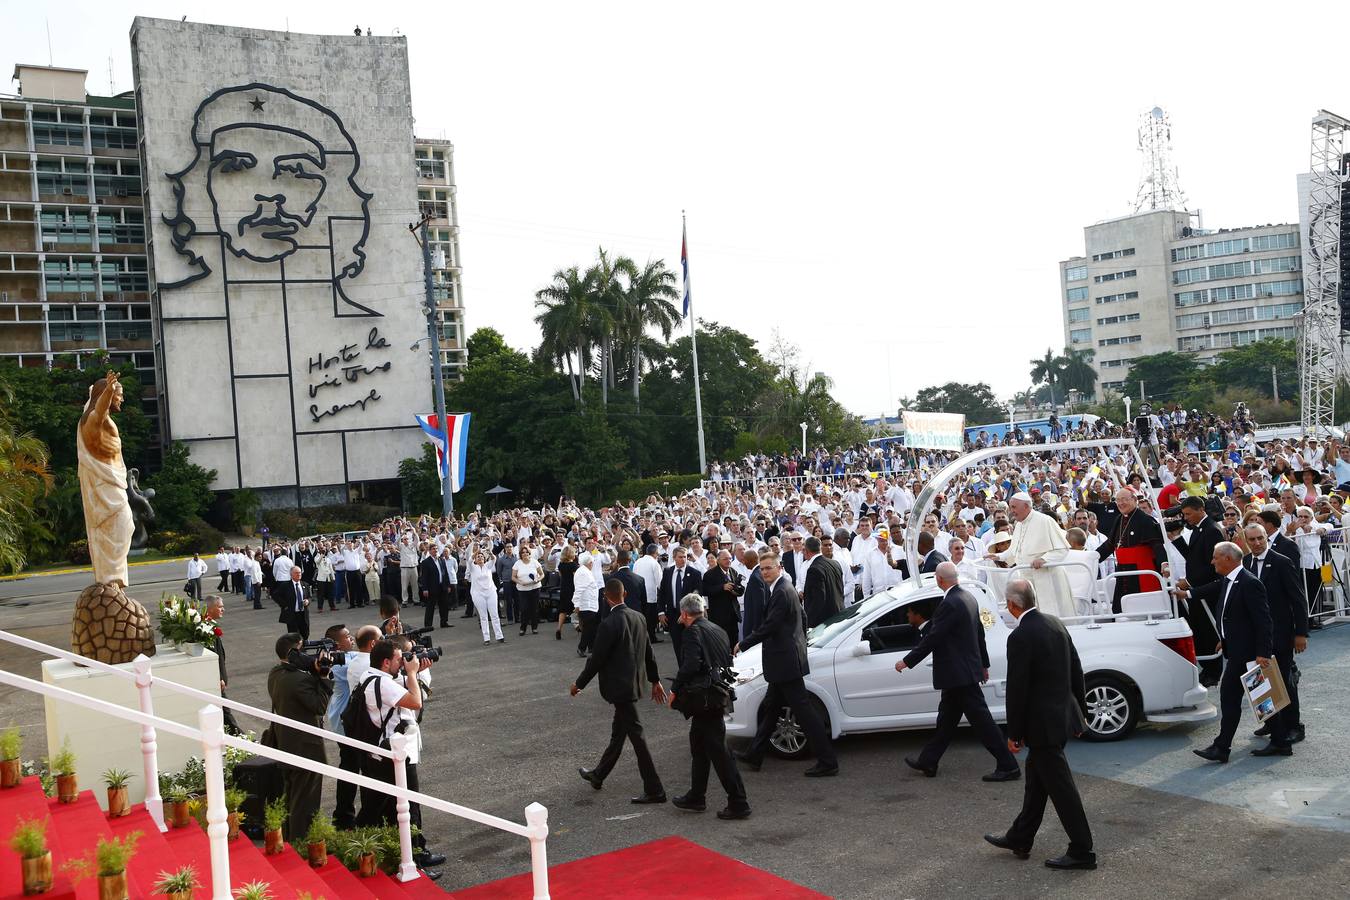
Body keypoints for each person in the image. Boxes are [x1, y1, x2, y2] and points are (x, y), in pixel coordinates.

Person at [984, 579, 1096, 871]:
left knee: (1062, 790)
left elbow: (1017, 689)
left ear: (1012, 605)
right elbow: (1076, 668)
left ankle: (1082, 851)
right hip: (1060, 719)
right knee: (1036, 783)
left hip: (1041, 726)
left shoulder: (1020, 636)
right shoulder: (1055, 623)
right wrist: (1080, 713)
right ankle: (1020, 837)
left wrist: (1015, 733)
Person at [896, 562, 1020, 782]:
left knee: (983, 723)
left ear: (939, 579)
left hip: (959, 675)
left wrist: (908, 661)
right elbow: (979, 633)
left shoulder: (950, 604)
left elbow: (934, 637)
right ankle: (929, 761)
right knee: (946, 721)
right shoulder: (969, 598)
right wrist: (983, 664)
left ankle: (1008, 765)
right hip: (961, 673)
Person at [734, 550, 839, 777]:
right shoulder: (783, 588)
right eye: (762, 569)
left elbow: (771, 625)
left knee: (804, 712)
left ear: (779, 567)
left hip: (785, 662)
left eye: (768, 568)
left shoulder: (782, 591)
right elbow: (803, 618)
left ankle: (828, 760)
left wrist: (745, 643)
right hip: (785, 660)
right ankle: (755, 753)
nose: (765, 572)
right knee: (772, 708)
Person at [572, 577, 668, 803]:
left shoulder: (609, 624)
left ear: (606, 598)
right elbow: (649, 653)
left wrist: (579, 684)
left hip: (620, 688)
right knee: (619, 734)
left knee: (637, 737)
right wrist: (655, 680)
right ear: (624, 595)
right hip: (635, 684)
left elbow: (596, 660)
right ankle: (599, 774)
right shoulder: (639, 617)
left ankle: (655, 790)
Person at [1183, 542, 1274, 764]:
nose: (1212, 561)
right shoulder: (1229, 580)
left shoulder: (1249, 583)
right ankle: (1223, 746)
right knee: (1248, 698)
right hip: (1237, 651)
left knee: (1256, 698)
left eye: (1215, 557)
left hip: (1250, 655)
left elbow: (1264, 621)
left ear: (1228, 559)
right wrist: (1224, 641)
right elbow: (1229, 615)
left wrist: (1263, 652)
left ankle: (1225, 746)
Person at [668, 593, 751, 820]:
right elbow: (726, 661)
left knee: (719, 752)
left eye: (681, 615)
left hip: (705, 699)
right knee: (699, 745)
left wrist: (675, 689)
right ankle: (696, 796)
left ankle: (738, 802)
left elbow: (691, 664)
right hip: (716, 695)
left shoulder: (692, 632)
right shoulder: (718, 629)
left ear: (685, 614)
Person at [1243, 524, 1307, 753]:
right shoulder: (1246, 563)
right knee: (1262, 681)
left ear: (1266, 538)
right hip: (1258, 635)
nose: (1257, 543)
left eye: (1260, 538)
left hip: (1281, 633)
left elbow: (1298, 599)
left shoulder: (1281, 562)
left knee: (1285, 681)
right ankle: (1273, 722)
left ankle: (1294, 726)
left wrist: (1301, 633)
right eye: (1252, 539)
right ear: (1246, 540)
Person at [266, 632, 333, 842]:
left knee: (292, 798)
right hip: (305, 749)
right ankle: (302, 844)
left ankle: (290, 839)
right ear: (294, 652)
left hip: (286, 744)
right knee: (305, 803)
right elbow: (319, 707)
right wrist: (322, 677)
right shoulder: (299, 679)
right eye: (303, 649)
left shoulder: (276, 673)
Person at [353, 638, 424, 825]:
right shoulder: (384, 685)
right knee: (409, 803)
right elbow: (416, 702)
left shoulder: (368, 675)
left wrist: (412, 674)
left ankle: (362, 842)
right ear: (386, 662)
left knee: (375, 807)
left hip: (375, 753)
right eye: (399, 659)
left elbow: (394, 683)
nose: (402, 663)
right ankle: (417, 851)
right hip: (391, 753)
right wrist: (412, 672)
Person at [992, 493, 1073, 618]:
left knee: (1053, 616)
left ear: (1026, 506)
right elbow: (1015, 550)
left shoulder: (1045, 521)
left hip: (1047, 579)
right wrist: (998, 557)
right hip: (1028, 580)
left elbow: (1062, 549)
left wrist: (1043, 559)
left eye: (1014, 507)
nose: (1011, 511)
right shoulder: (1019, 524)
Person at [1093, 488, 1167, 613]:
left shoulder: (1145, 520)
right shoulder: (1119, 519)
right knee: (1120, 608)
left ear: (1134, 500)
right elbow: (1109, 545)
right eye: (1118, 500)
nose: (1121, 503)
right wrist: (1093, 557)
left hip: (1141, 572)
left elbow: (1157, 545)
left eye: (1124, 500)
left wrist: (1164, 563)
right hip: (1123, 572)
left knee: (1142, 609)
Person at [323, 623, 362, 829]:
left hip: (348, 719)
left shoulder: (350, 656)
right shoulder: (337, 663)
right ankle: (343, 816)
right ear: (337, 643)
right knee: (350, 766)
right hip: (345, 722)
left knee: (351, 765)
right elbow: (363, 663)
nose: (352, 639)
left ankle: (345, 815)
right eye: (348, 637)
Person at [201, 595, 239, 734]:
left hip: (218, 679)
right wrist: (218, 677)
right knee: (226, 712)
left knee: (224, 712)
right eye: (220, 607)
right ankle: (241, 738)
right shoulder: (205, 628)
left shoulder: (210, 624)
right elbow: (212, 656)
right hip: (215, 680)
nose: (223, 609)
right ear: (210, 609)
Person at [658, 546, 703, 659]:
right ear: (674, 558)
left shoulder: (694, 573)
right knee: (678, 646)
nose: (683, 559)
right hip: (673, 616)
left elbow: (697, 595)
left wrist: (686, 613)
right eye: (680, 557)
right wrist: (661, 612)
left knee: (691, 645)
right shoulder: (667, 572)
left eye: (685, 557)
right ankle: (682, 672)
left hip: (690, 617)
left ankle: (691, 672)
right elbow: (662, 593)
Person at [701, 550, 744, 645]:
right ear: (718, 560)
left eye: (730, 558)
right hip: (718, 616)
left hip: (733, 614)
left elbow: (739, 588)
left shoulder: (733, 571)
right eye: (725, 559)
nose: (728, 561)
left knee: (734, 641)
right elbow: (705, 590)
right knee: (720, 643)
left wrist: (737, 590)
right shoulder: (710, 574)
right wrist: (722, 587)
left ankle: (733, 659)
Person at [801, 536, 844, 628]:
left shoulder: (814, 569)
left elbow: (817, 599)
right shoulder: (835, 563)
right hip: (839, 615)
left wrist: (809, 623)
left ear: (806, 550)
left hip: (824, 622)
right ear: (820, 547)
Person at [468, 548, 506, 644]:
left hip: (491, 592)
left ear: (484, 559)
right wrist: (477, 551)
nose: (480, 558)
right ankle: (486, 638)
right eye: (478, 557)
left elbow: (494, 559)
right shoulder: (473, 567)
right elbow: (469, 560)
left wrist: (489, 552)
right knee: (483, 616)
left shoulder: (488, 566)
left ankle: (499, 636)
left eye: (481, 556)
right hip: (478, 594)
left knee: (495, 615)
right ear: (475, 560)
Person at [634, 544, 665, 643]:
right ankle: (651, 637)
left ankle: (642, 637)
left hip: (639, 594)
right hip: (651, 595)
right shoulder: (654, 563)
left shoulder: (638, 561)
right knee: (651, 619)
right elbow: (660, 581)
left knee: (642, 617)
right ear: (655, 553)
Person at [513, 545, 544, 635]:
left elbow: (542, 574)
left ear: (529, 553)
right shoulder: (517, 563)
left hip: (535, 588)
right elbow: (513, 577)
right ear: (520, 554)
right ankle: (523, 628)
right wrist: (520, 582)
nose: (525, 554)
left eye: (526, 552)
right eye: (523, 552)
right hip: (522, 590)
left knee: (534, 608)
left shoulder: (535, 562)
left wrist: (538, 579)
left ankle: (534, 627)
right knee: (524, 609)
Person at [425, 546, 457, 630]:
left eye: (436, 549)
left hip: (442, 586)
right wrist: (425, 589)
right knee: (430, 606)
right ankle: (428, 625)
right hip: (432, 587)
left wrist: (448, 585)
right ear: (429, 551)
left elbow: (445, 573)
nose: (435, 550)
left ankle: (444, 622)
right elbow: (424, 577)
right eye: (433, 549)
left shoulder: (441, 560)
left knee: (444, 605)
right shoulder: (426, 562)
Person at [276, 565, 311, 640]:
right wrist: (284, 605)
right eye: (296, 573)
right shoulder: (286, 585)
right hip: (292, 614)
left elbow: (309, 596)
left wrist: (308, 601)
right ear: (291, 574)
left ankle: (304, 649)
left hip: (303, 614)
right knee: (294, 635)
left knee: (305, 633)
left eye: (300, 573)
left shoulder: (305, 584)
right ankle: (295, 650)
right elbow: (276, 595)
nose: (299, 574)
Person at [556, 545, 579, 641]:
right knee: (577, 608)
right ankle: (579, 626)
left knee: (563, 610)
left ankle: (558, 629)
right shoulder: (573, 565)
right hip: (572, 589)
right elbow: (576, 578)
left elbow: (561, 576)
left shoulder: (561, 565)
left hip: (564, 588)